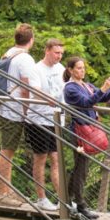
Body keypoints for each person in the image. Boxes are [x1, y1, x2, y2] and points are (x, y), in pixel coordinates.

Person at [62, 56, 110, 220]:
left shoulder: (85, 85)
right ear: (70, 70)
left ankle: (67, 200)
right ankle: (80, 205)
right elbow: (87, 102)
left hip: (87, 129)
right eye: (79, 68)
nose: (82, 71)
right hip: (79, 131)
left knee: (80, 167)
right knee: (82, 168)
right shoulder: (70, 89)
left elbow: (100, 98)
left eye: (83, 68)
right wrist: (103, 87)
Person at [0, 24, 40, 207]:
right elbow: (27, 87)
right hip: (13, 111)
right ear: (31, 40)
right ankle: (2, 194)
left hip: (4, 107)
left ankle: (7, 190)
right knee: (7, 151)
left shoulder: (9, 52)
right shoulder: (25, 59)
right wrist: (27, 111)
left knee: (8, 150)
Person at [28, 38, 66, 210]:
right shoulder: (36, 69)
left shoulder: (61, 69)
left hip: (57, 119)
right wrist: (48, 98)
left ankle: (62, 198)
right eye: (57, 53)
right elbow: (34, 90)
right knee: (41, 158)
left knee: (57, 159)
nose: (59, 56)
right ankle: (41, 198)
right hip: (39, 119)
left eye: (61, 53)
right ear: (47, 51)